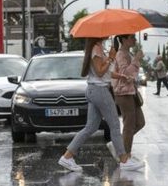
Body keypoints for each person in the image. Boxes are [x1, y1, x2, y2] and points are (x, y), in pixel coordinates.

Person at [58, 37, 144, 172]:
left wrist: (121, 76)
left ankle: (67, 157)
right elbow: (99, 72)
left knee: (90, 127)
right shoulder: (96, 49)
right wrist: (110, 58)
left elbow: (106, 73)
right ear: (98, 34)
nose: (108, 33)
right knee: (115, 125)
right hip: (99, 91)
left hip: (94, 90)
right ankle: (124, 160)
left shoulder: (98, 48)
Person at [110, 34, 145, 160]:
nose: (135, 40)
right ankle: (125, 157)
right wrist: (136, 59)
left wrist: (135, 58)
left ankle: (118, 145)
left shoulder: (127, 53)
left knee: (140, 122)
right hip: (123, 93)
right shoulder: (121, 54)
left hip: (131, 93)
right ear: (124, 40)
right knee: (129, 126)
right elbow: (125, 74)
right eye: (132, 37)